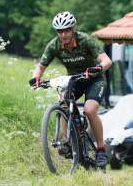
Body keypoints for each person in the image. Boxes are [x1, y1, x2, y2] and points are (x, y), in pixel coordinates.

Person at [32, 11, 112, 168]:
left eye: (67, 30)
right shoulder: (54, 45)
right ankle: (67, 141)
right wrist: (36, 79)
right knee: (62, 102)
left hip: (94, 79)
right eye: (60, 31)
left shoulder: (85, 40)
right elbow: (40, 67)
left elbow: (107, 61)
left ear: (73, 29)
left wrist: (97, 68)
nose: (64, 34)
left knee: (89, 110)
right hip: (74, 80)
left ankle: (101, 149)